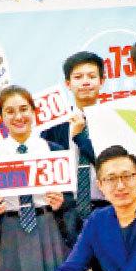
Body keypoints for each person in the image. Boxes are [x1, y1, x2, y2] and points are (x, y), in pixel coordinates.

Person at [0, 86, 69, 271]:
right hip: (9, 229)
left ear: (34, 112)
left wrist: (62, 202)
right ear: (0, 118)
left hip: (48, 226)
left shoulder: (53, 150)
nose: (18, 117)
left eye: (23, 109)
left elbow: (71, 198)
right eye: (10, 112)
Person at [42, 51, 108, 243]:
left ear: (102, 81)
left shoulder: (112, 119)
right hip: (67, 210)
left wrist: (80, 136)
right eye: (78, 77)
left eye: (91, 76)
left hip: (107, 208)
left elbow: (110, 164)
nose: (85, 82)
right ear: (68, 84)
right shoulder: (54, 126)